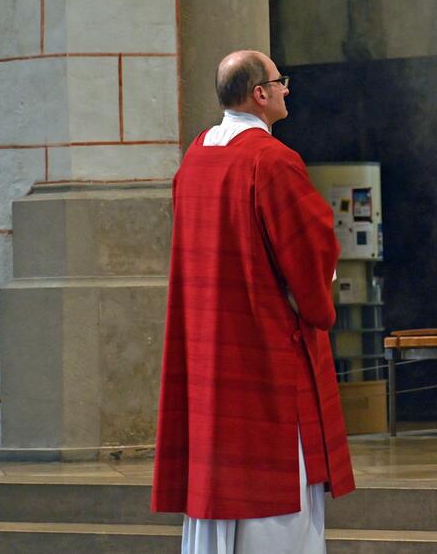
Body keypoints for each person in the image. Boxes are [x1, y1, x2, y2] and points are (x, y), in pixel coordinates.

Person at [153, 50, 355, 554]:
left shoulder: (196, 156)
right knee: (273, 493)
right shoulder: (272, 160)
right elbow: (307, 254)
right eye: (279, 81)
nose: (287, 89)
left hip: (209, 352)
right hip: (263, 355)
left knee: (216, 485)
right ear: (259, 94)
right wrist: (320, 291)